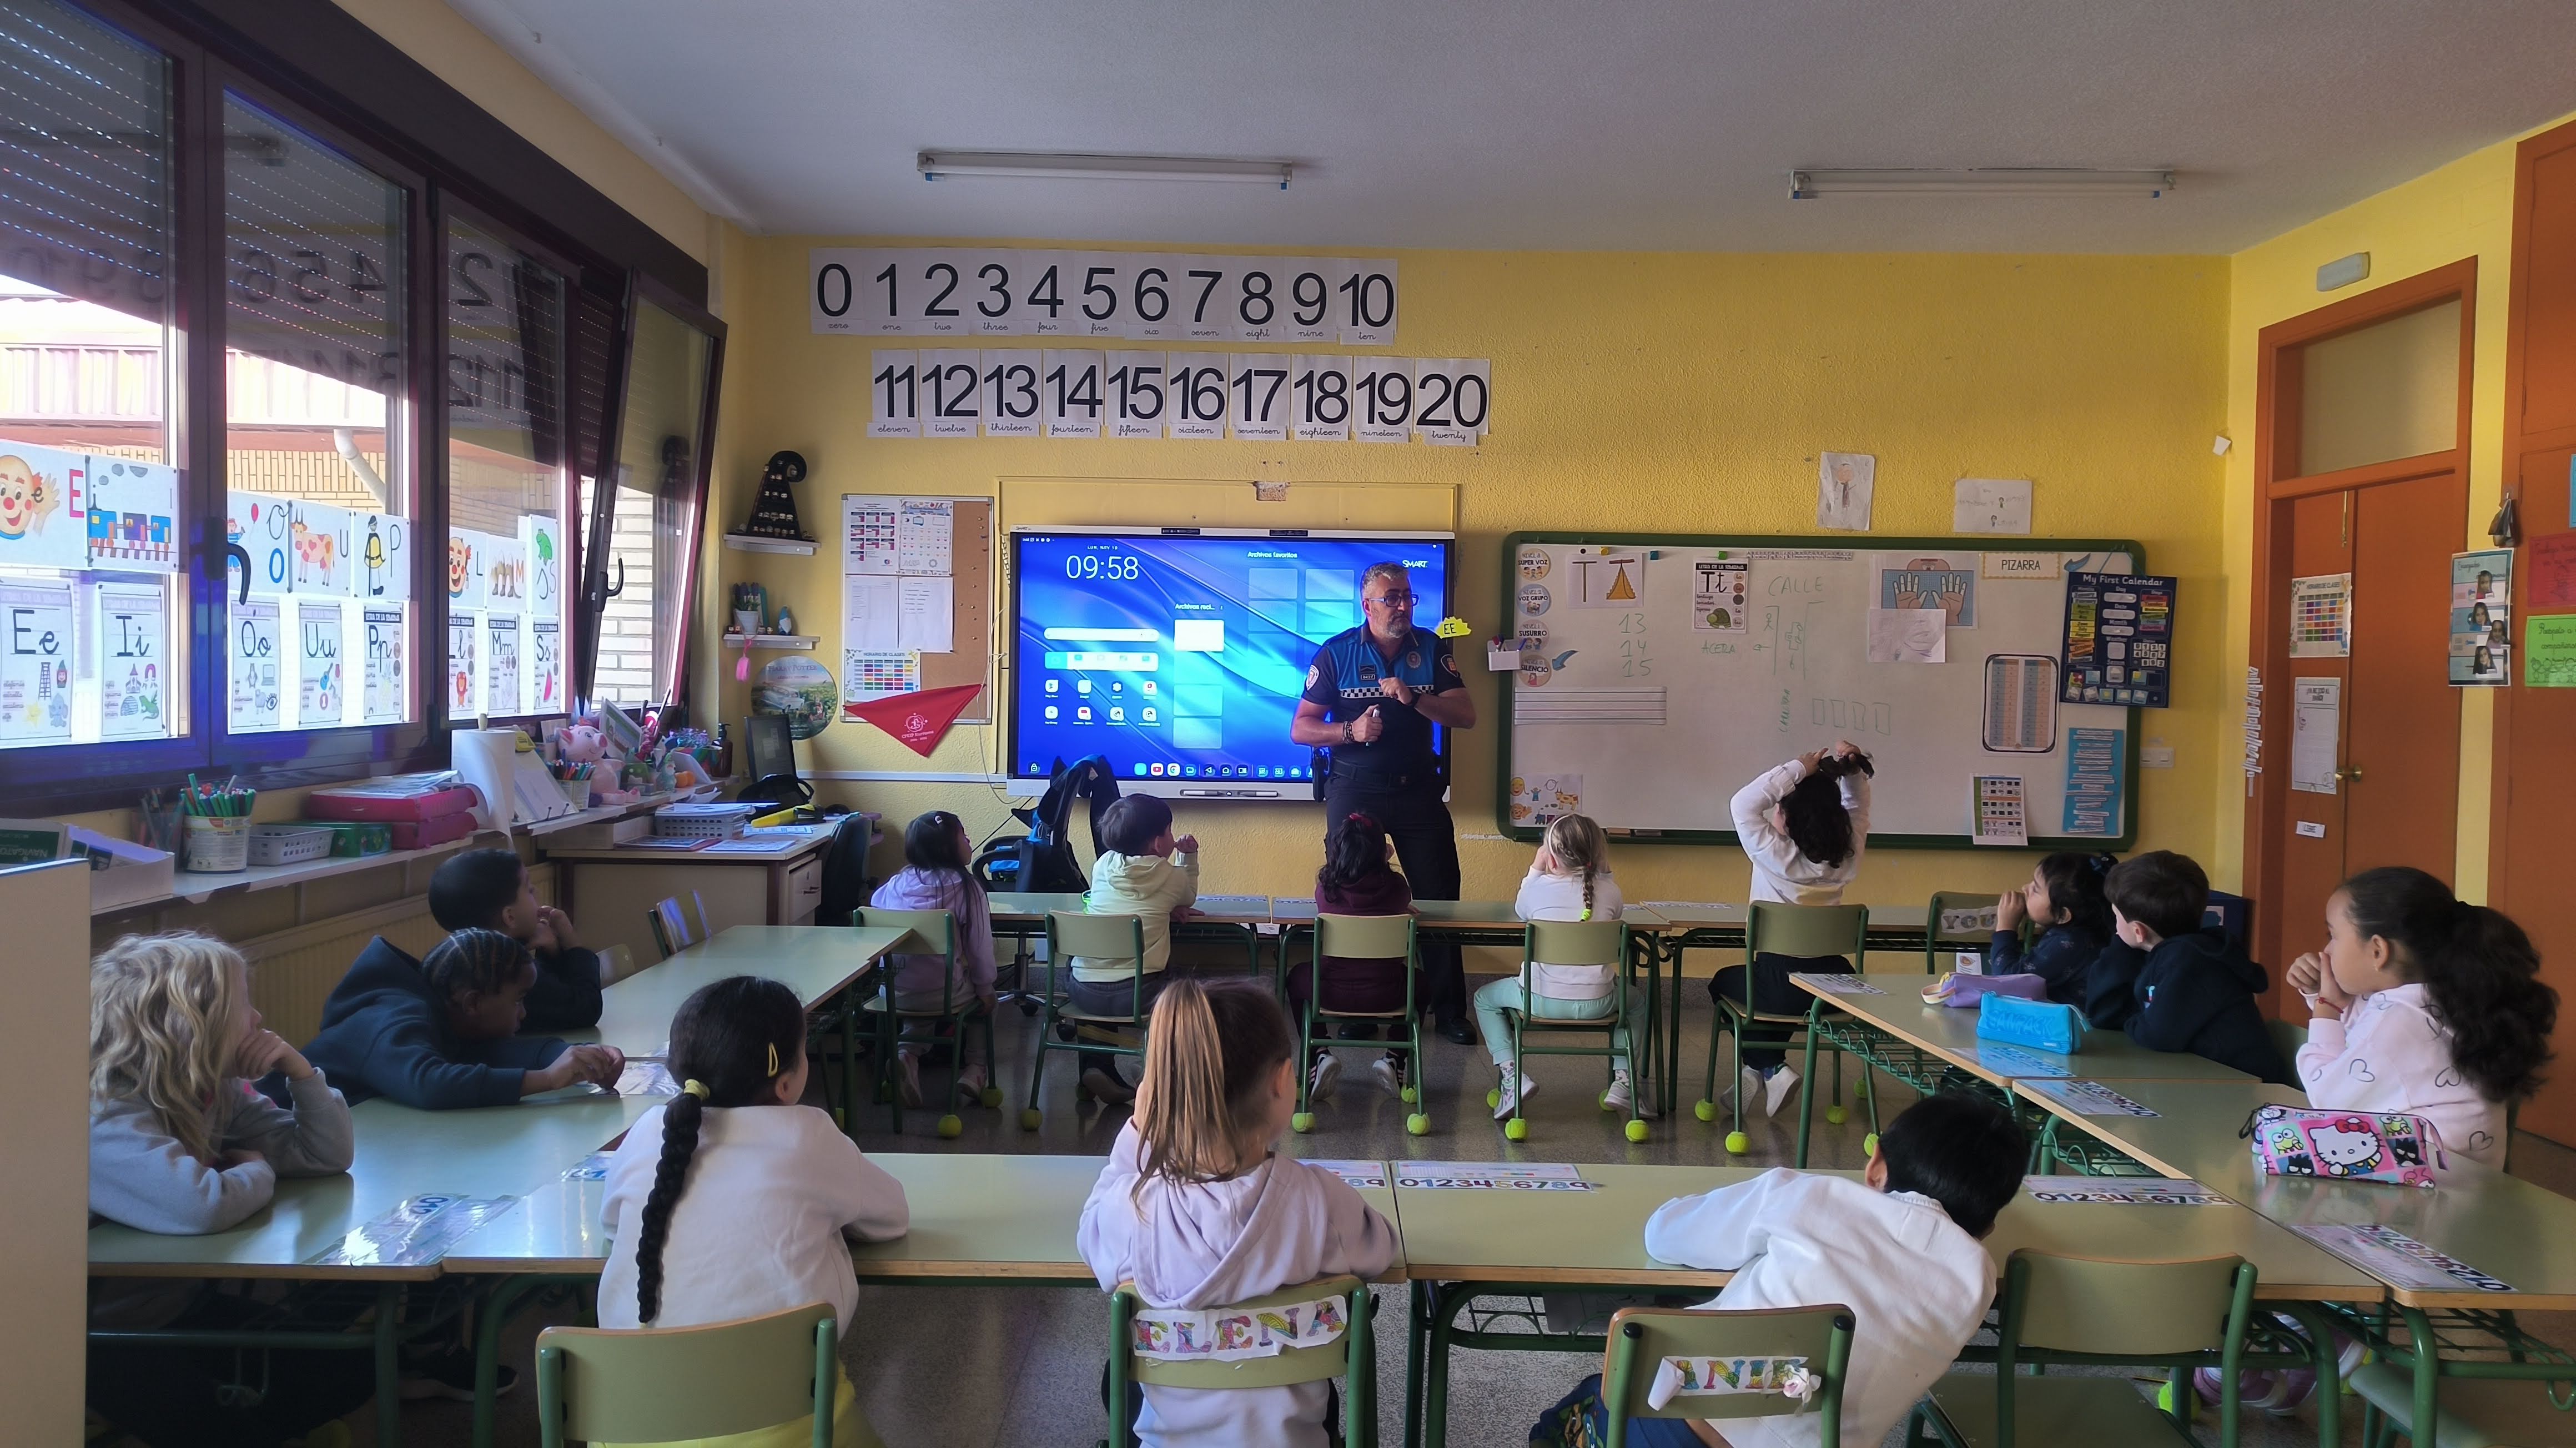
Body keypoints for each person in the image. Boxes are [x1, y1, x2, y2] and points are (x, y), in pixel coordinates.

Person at [1529, 1091, 2025, 1448]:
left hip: (1675, 1432)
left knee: (1570, 1414)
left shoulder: (1813, 1197)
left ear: (1876, 1166)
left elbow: (1665, 1235)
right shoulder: (1977, 1281)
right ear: (1988, 1226)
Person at [1076, 979, 1400, 1448]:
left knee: (1119, 1377)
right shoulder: (1320, 1200)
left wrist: (1136, 1136)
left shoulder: (1135, 1211)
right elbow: (1380, 1251)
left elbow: (1089, 1232)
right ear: (1282, 1081)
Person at [86, 932, 373, 1447]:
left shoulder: (210, 1090)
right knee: (232, 1430)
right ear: (188, 1024)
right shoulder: (102, 1112)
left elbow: (323, 1155)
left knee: (350, 1368)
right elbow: (200, 1206)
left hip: (174, 1308)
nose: (258, 1018)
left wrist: (301, 1073)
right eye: (243, 1006)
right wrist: (256, 1170)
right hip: (93, 1338)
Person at [597, 976, 908, 1447]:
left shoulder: (646, 1131)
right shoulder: (809, 1136)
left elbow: (611, 1225)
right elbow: (893, 1218)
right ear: (785, 1081)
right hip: (792, 1427)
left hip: (628, 1429)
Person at [1291, 560, 1478, 1045]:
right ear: (1367, 604)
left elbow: (1465, 715)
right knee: (1352, 898)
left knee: (1439, 898)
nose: (1401, 606)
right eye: (1390, 597)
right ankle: (1358, 1007)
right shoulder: (1337, 653)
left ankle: (1450, 1011)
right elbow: (1301, 728)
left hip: (1417, 790)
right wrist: (1350, 731)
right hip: (1356, 789)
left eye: (1407, 596)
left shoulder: (1430, 648)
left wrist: (1414, 699)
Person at [2285, 866, 2557, 1167]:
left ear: (2378, 951)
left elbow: (2327, 1097)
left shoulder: (2398, 1021)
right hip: (2469, 1180)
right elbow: (2363, 1042)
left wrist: (2325, 1008)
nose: (2326, 950)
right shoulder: (2444, 998)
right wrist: (2324, 996)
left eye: (2333, 935)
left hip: (2429, 1184)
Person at [1716, 742, 1873, 1117]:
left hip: (1779, 982)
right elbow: (1858, 808)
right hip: (1835, 987)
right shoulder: (1846, 856)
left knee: (1724, 984)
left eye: (1778, 809)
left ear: (1787, 818)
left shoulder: (1774, 854)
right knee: (1772, 994)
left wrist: (1797, 768)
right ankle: (1760, 1069)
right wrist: (1852, 772)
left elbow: (1742, 804)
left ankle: (1769, 1066)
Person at [304, 927, 624, 1107]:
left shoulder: (448, 1014)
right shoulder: (394, 1018)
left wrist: (582, 1056)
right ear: (473, 1003)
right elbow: (430, 1083)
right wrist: (549, 1079)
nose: (524, 1013)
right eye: (518, 1000)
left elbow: (488, 1054)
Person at [1477, 812, 1642, 1119]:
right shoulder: (1610, 892)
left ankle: (1513, 1076)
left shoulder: (1535, 891)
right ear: (1597, 855)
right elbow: (1615, 907)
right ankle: (1624, 1082)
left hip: (1539, 1001)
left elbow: (1521, 909)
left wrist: (1535, 870)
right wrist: (1605, 873)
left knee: (1483, 999)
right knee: (1638, 1003)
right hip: (1600, 1002)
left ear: (1551, 857)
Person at [2082, 851, 2294, 1084]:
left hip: (2244, 1088)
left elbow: (2157, 1036)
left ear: (2138, 931)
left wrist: (2134, 1020)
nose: (2115, 928)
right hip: (2209, 1079)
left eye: (2116, 917)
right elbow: (2105, 1015)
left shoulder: (2190, 962)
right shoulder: (2171, 953)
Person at [1067, 795, 1201, 1105]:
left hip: (1083, 993)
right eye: (1169, 830)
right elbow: (1188, 897)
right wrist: (1188, 858)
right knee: (1183, 987)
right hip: (1138, 993)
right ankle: (1155, 1070)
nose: (1172, 836)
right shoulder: (1171, 876)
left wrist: (1163, 907)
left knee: (1090, 970)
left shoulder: (1102, 865)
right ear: (1158, 843)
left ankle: (1096, 1065)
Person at [869, 810, 999, 1107]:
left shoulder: (895, 884)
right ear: (948, 848)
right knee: (986, 1003)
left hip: (892, 993)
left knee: (925, 995)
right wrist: (986, 989)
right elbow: (980, 949)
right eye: (963, 835)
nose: (969, 840)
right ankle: (976, 1070)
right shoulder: (968, 888)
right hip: (943, 993)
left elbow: (874, 907)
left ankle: (906, 1054)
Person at [1295, 810, 1415, 1102]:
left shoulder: (1326, 889)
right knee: (1421, 984)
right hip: (1388, 994)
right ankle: (1395, 1057)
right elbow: (1399, 899)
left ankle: (1319, 1054)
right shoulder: (1398, 888)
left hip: (1330, 993)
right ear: (1383, 852)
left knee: (1296, 978)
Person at [426, 846, 603, 1030]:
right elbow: (586, 1008)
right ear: (510, 917)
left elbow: (557, 996)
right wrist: (573, 945)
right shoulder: (508, 972)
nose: (536, 891)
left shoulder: (467, 961)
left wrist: (551, 954)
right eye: (529, 889)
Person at [1990, 852, 2117, 1005]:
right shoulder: (2082, 931)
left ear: (2062, 915)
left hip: (2075, 1020)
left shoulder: (2070, 943)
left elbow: (2008, 982)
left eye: (2036, 889)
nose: (2025, 888)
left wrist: (2006, 927)